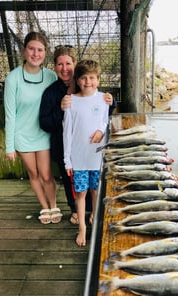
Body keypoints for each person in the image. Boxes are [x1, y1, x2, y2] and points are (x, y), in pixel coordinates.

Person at [39, 46, 115, 225]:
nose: (64, 68)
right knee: (71, 183)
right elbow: (45, 123)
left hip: (91, 147)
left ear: (74, 65)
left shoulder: (87, 82)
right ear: (55, 66)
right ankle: (76, 209)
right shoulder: (51, 93)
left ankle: (92, 211)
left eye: (68, 63)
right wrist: (61, 109)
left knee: (94, 183)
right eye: (60, 64)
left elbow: (101, 110)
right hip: (64, 145)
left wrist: (112, 102)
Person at [4, 31, 62, 225]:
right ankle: (44, 207)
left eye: (40, 50)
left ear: (45, 53)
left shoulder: (51, 76)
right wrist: (9, 146)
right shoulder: (13, 78)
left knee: (46, 173)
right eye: (31, 49)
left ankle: (53, 205)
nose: (35, 54)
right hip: (22, 135)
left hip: (43, 133)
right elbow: (10, 114)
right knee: (34, 174)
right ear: (24, 50)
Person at [63, 59, 109, 247]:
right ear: (77, 80)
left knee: (96, 191)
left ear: (98, 79)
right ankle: (82, 227)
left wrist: (101, 131)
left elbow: (105, 122)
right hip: (79, 158)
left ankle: (96, 221)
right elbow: (66, 132)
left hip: (97, 157)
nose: (88, 82)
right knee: (80, 194)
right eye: (83, 78)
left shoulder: (104, 99)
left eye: (92, 78)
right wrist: (67, 160)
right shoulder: (71, 102)